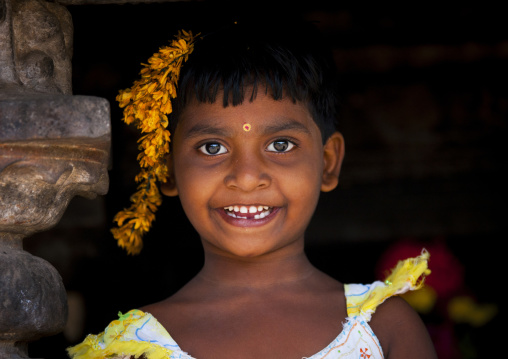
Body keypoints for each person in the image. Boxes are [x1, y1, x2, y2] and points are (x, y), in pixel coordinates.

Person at [68, 17, 437, 359]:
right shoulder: (132, 347)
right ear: (166, 170)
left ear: (327, 162)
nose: (246, 178)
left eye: (280, 145)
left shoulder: (384, 329)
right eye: (212, 147)